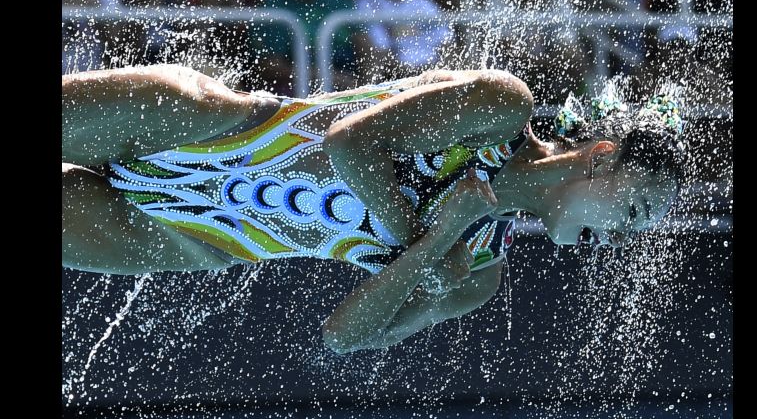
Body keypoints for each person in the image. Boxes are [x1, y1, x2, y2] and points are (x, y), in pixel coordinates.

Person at [62, 65, 685, 353]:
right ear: (601, 158)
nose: (618, 240)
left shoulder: (478, 273)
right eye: (631, 213)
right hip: (208, 125)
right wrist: (424, 236)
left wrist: (434, 245)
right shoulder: (502, 109)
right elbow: (350, 144)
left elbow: (342, 338)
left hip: (195, 236)